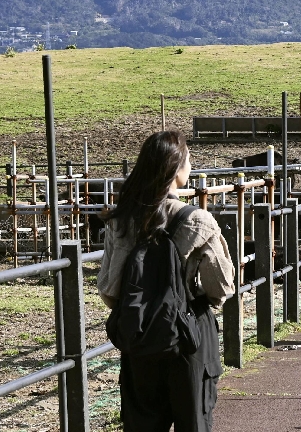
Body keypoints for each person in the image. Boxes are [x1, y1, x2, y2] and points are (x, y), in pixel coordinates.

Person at [98, 130, 235, 432]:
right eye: (188, 160)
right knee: (194, 424)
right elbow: (221, 286)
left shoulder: (122, 219)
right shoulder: (197, 220)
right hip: (188, 337)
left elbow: (109, 290)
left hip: (140, 335)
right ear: (176, 168)